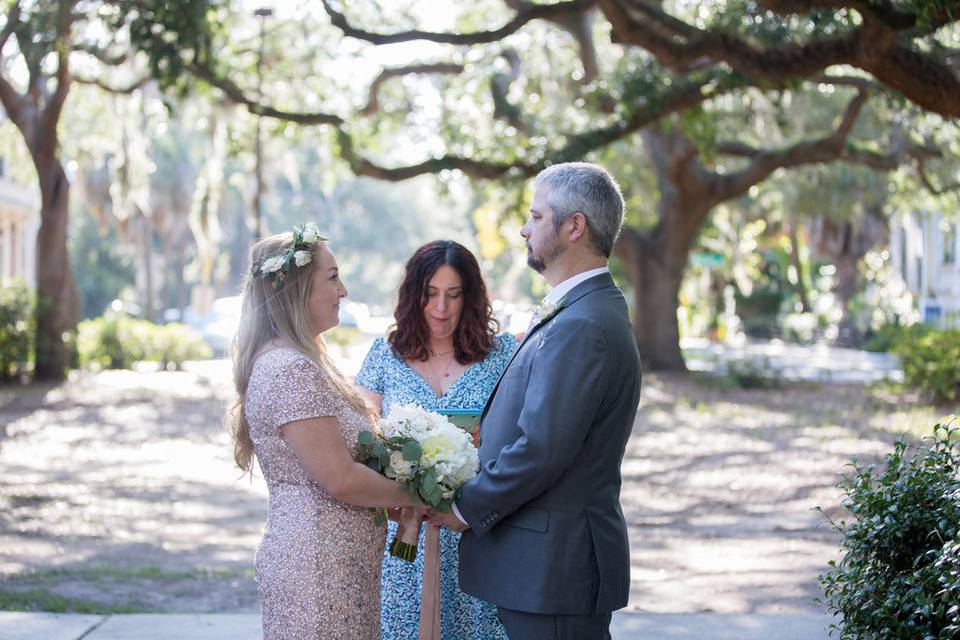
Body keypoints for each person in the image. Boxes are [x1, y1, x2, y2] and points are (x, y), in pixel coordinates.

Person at [430, 163, 643, 639]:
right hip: (544, 568)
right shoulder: (581, 310)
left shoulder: (583, 324)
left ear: (574, 226)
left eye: (536, 216)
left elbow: (541, 448)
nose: (524, 229)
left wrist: (465, 509)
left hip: (556, 568)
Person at [226, 225, 416, 640]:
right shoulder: (290, 369)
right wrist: (413, 495)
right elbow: (340, 478)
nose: (343, 290)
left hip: (336, 563)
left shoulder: (303, 360)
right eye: (332, 277)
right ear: (296, 291)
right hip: (318, 566)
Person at [355, 240, 516, 640]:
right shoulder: (384, 356)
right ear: (414, 295)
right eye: (430, 294)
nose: (440, 308)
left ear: (471, 297)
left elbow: (521, 442)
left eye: (453, 294)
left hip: (475, 529)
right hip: (404, 535)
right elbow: (359, 440)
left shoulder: (502, 356)